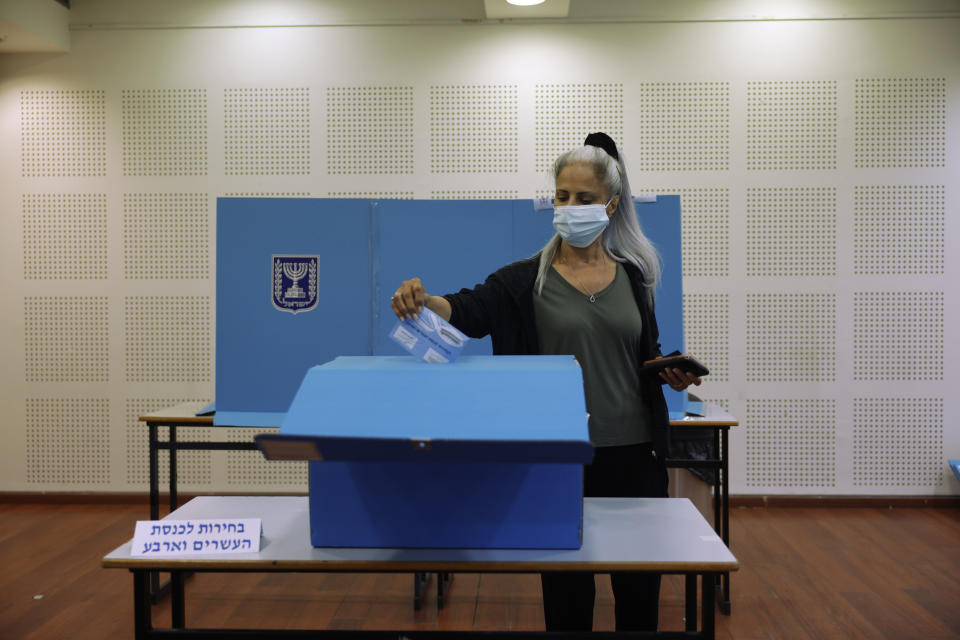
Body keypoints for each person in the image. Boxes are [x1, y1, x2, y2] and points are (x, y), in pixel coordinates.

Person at [391, 132, 701, 632]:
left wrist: (669, 371)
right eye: (562, 196)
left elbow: (643, 353)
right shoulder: (523, 281)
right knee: (567, 597)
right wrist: (423, 300)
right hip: (560, 457)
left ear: (611, 205)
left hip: (636, 455)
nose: (570, 207)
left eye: (584, 198)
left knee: (640, 595)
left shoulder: (635, 277)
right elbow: (466, 311)